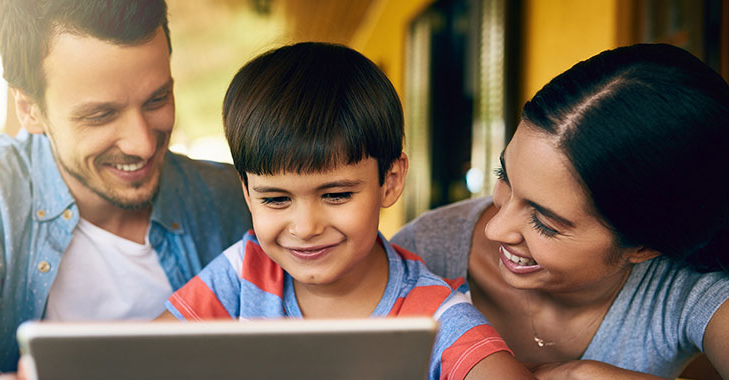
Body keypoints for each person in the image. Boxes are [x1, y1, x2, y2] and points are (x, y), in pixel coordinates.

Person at [0, 1, 251, 379]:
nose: (142, 145)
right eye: (101, 115)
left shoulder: (234, 196)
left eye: (157, 99)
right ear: (30, 109)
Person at [158, 42, 535, 380]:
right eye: (275, 199)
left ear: (390, 181)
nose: (305, 227)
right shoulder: (242, 274)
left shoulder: (434, 318)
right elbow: (141, 356)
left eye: (336, 195)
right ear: (247, 192)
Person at [392, 43, 729, 379]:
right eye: (504, 176)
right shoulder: (424, 253)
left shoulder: (689, 290)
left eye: (544, 222)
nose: (496, 229)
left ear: (643, 248)